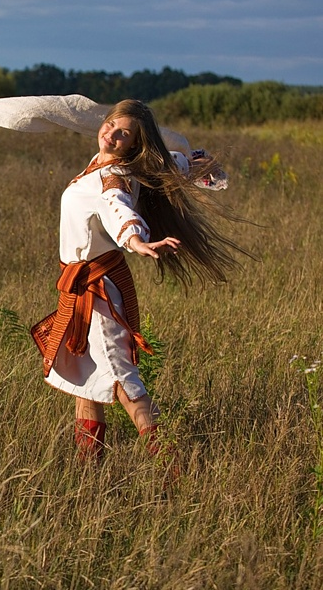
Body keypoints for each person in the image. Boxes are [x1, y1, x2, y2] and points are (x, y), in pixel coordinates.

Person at [30, 99, 243, 464]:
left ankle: (171, 467)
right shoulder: (120, 164)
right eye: (111, 125)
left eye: (123, 134)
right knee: (87, 380)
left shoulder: (111, 177)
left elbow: (118, 206)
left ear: (133, 144)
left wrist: (136, 241)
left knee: (123, 383)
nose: (110, 135)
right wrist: (190, 162)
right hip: (84, 286)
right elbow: (169, 162)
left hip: (97, 292)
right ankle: (89, 469)